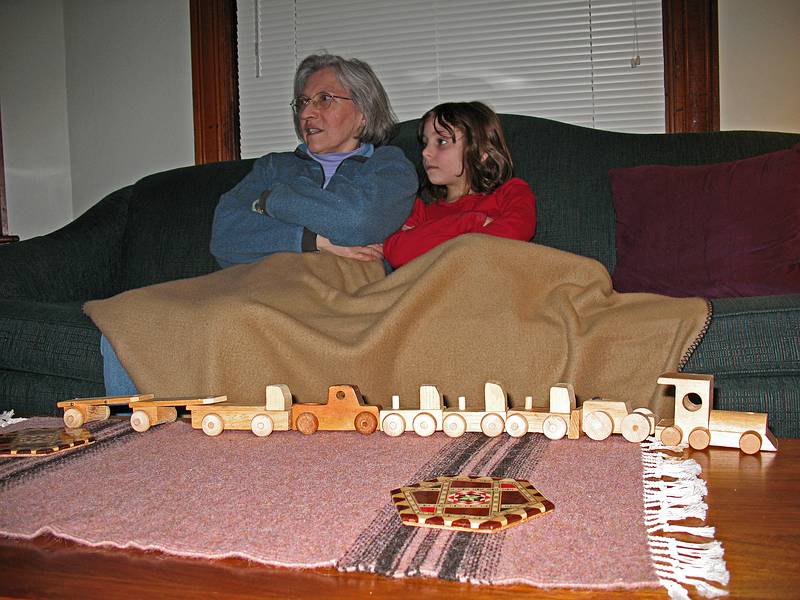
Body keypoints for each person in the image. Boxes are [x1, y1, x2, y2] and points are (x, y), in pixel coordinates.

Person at [101, 53, 418, 395]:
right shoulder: (273, 167)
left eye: (324, 99)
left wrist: (273, 200)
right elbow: (225, 236)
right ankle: (131, 441)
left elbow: (356, 221)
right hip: (264, 280)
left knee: (230, 317)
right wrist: (312, 240)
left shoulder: (388, 165)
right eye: (303, 102)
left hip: (342, 290)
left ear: (362, 113)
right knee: (129, 317)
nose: (308, 112)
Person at [382, 101, 536, 269]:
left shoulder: (512, 192)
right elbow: (397, 252)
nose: (425, 152)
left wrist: (436, 243)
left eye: (441, 141)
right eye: (425, 142)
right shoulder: (421, 211)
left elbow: (515, 233)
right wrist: (470, 222)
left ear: (480, 152)